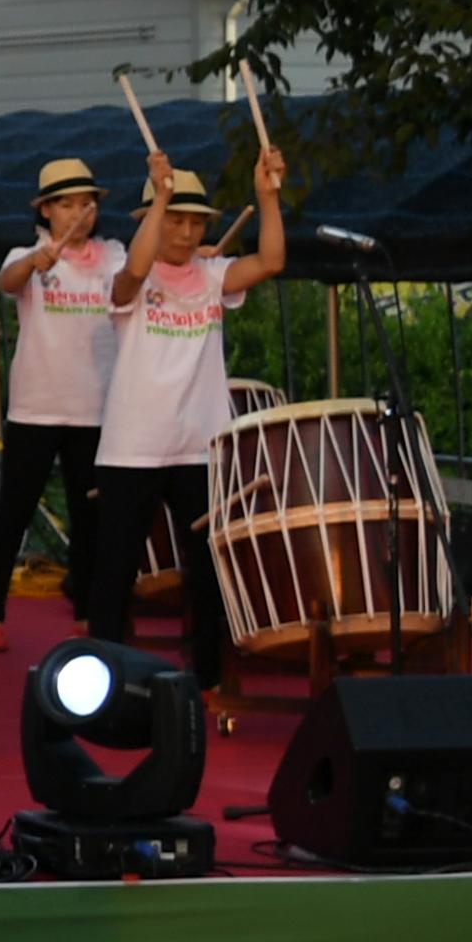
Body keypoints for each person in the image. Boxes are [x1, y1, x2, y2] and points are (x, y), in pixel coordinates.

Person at [91, 150, 285, 684]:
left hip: (201, 445)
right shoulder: (122, 269)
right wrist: (160, 196)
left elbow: (271, 262)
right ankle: (102, 682)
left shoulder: (214, 274)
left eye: (194, 220)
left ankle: (206, 678)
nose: (185, 229)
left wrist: (267, 198)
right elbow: (133, 270)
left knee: (208, 569)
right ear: (153, 219)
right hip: (133, 445)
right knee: (114, 571)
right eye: (174, 217)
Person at [0, 157, 121, 653]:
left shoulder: (114, 258)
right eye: (66, 204)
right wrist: (34, 264)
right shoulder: (30, 255)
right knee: (13, 510)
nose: (78, 212)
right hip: (37, 407)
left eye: (87, 203)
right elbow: (6, 281)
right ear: (47, 212)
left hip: (96, 408)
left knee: (91, 515)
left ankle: (86, 607)